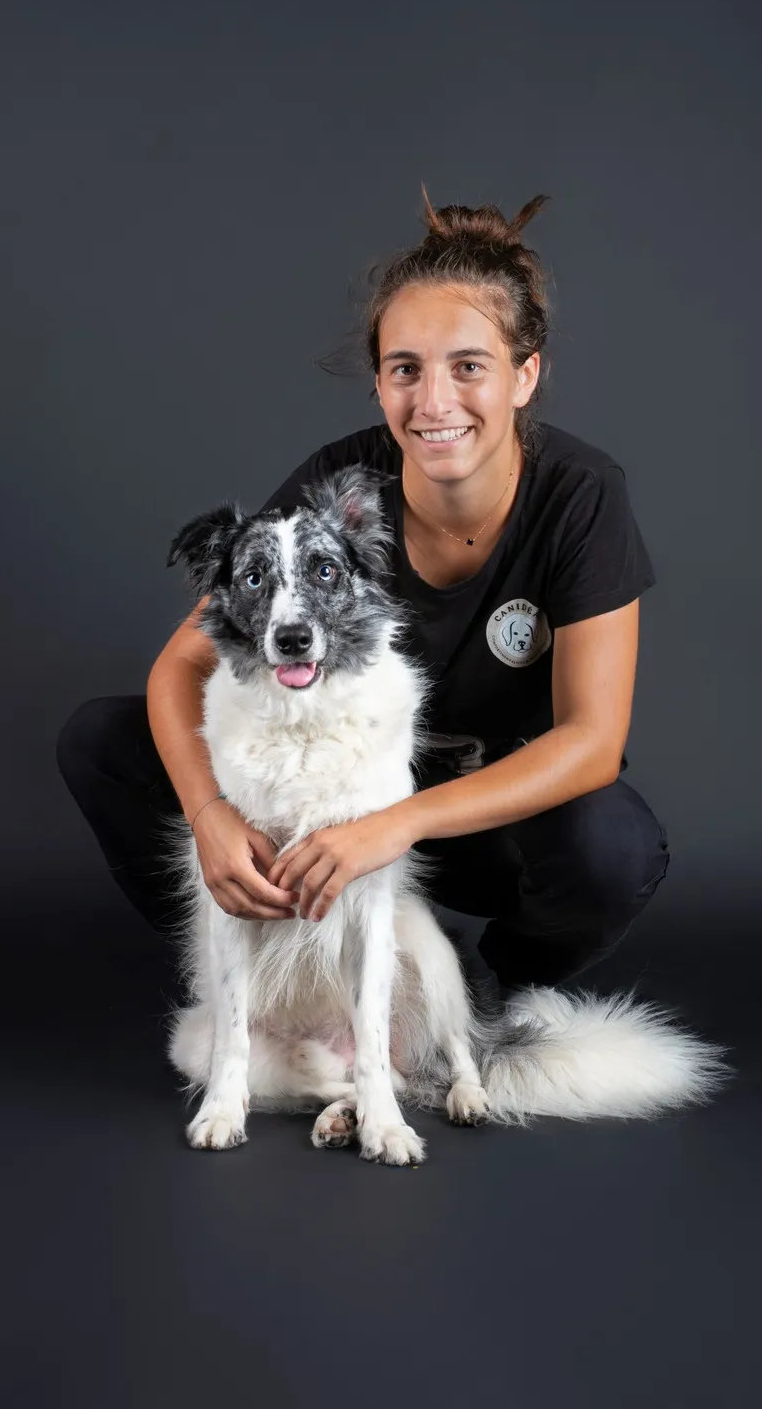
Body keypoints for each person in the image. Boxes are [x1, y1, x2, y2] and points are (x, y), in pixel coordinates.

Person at [56, 189, 670, 996]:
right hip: (328, 802)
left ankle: (484, 996)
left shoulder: (579, 493)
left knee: (613, 845)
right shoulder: (337, 491)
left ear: (524, 376)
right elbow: (181, 668)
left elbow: (592, 739)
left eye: (469, 367)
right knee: (103, 739)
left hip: (475, 827)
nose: (434, 401)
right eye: (404, 369)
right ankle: (274, 980)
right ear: (379, 385)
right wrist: (211, 815)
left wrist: (396, 824)